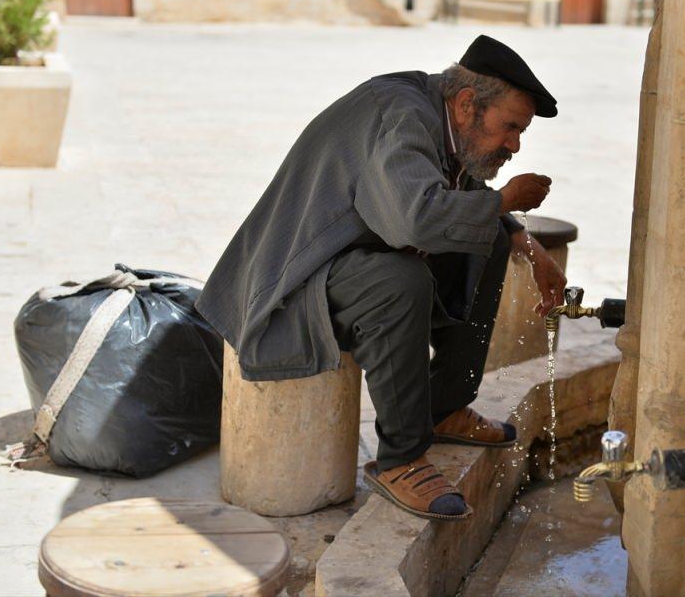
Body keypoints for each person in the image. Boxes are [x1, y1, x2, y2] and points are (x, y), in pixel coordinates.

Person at [196, 35, 566, 521]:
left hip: (350, 261)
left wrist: (525, 240)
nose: (515, 145)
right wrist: (503, 201)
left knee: (490, 238)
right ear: (466, 104)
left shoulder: (443, 116)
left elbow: (459, 183)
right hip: (292, 281)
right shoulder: (401, 114)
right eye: (510, 128)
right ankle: (402, 459)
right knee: (400, 279)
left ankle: (445, 406)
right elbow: (413, 220)